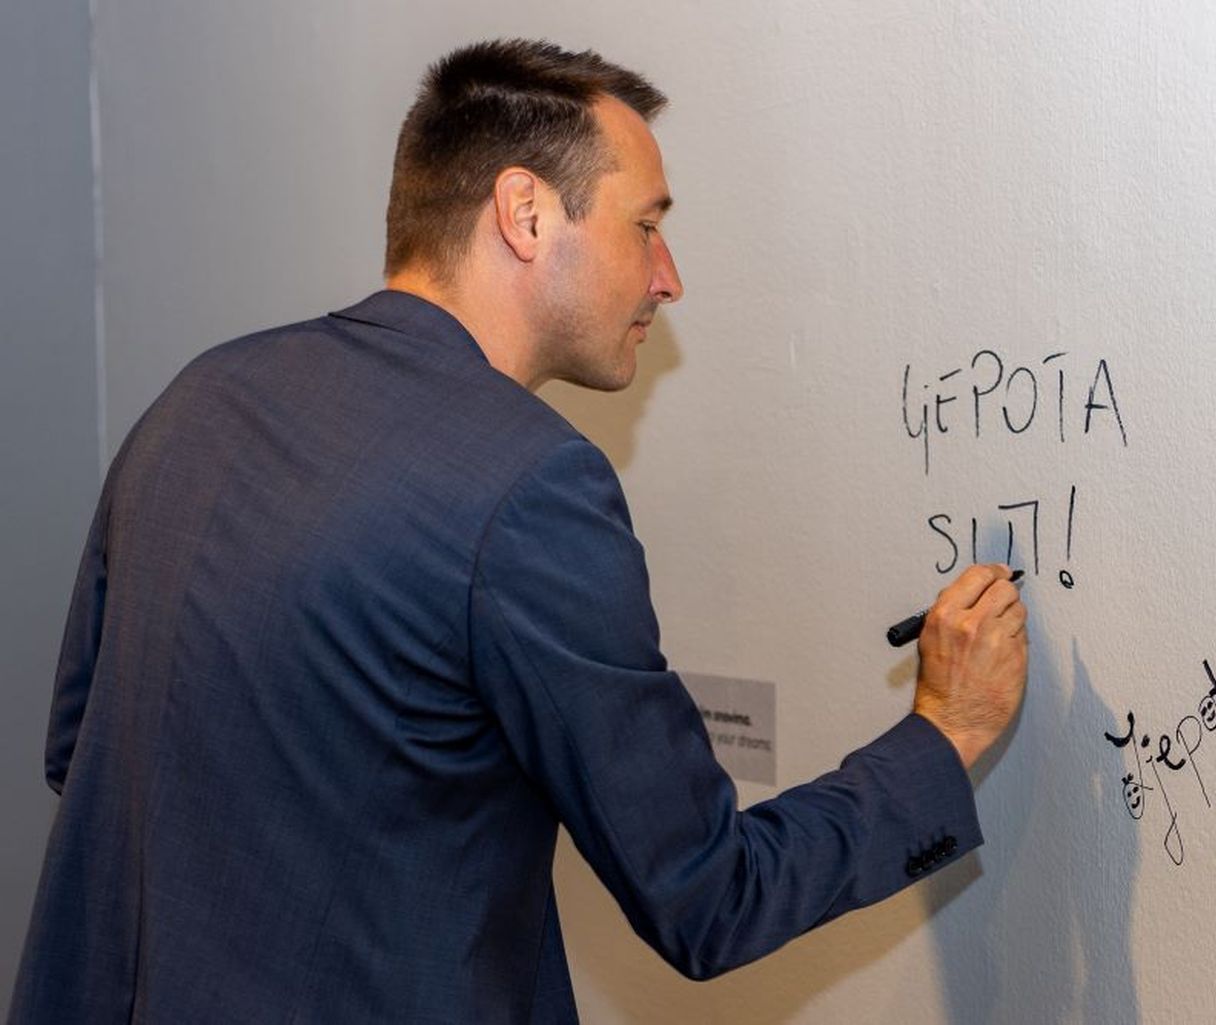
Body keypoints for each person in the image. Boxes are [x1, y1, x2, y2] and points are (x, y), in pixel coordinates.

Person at [9, 39, 1027, 1024]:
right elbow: (709, 894)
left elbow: (83, 753)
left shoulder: (197, 399)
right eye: (646, 225)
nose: (668, 276)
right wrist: (947, 732)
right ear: (526, 212)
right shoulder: (530, 484)